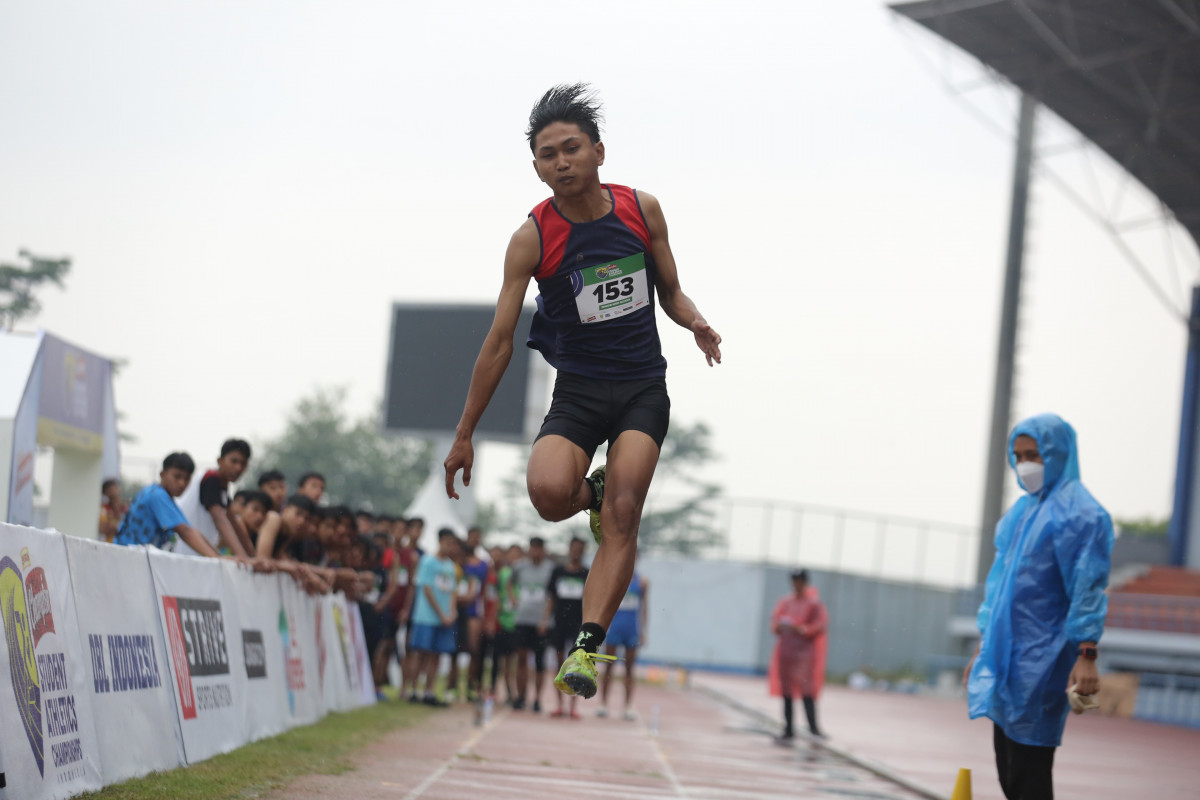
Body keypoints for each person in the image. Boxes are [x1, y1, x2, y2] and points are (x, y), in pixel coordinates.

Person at [443, 83, 722, 701]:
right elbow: (498, 341)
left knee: (624, 512)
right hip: (579, 391)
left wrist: (695, 320)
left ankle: (585, 648)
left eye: (572, 148)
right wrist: (464, 433)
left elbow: (670, 290)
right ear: (537, 168)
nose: (561, 162)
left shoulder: (640, 209)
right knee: (546, 495)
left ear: (598, 152)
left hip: (642, 388)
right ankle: (590, 489)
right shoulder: (532, 238)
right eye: (548, 154)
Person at [965, 414, 1113, 800]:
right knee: (1008, 770)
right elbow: (999, 587)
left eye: (1034, 454)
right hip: (1007, 655)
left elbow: (1088, 588)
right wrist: (984, 648)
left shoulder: (1081, 515)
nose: (1024, 464)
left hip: (1044, 658)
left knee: (1029, 770)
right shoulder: (1023, 511)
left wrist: (1087, 652)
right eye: (1018, 456)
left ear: (1057, 453)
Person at [115, 453, 220, 557]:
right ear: (162, 474)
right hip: (127, 556)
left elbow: (190, 529)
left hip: (132, 556)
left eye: (186, 479)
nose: (182, 483)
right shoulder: (158, 495)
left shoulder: (162, 496)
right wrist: (216, 559)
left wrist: (219, 556)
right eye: (177, 477)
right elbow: (185, 531)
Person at [768, 569, 828, 742]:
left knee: (807, 691)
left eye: (799, 581)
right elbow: (775, 623)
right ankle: (788, 729)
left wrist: (802, 629)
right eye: (794, 581)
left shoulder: (814, 604)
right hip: (786, 652)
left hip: (805, 655)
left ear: (805, 582)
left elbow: (819, 625)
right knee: (786, 692)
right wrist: (781, 626)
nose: (796, 584)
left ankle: (814, 729)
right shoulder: (785, 602)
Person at [174, 438, 256, 559]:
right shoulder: (210, 479)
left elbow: (233, 523)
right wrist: (244, 558)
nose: (238, 468)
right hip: (187, 555)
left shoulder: (222, 487)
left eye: (242, 463)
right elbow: (220, 520)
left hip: (198, 557)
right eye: (233, 461)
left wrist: (253, 557)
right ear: (220, 461)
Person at [408, 528, 461, 706]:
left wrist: (452, 613)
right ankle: (413, 690)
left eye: (452, 543)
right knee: (421, 654)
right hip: (426, 617)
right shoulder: (428, 562)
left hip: (444, 619)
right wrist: (441, 613)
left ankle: (429, 691)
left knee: (436, 655)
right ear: (440, 541)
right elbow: (427, 589)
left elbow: (453, 591)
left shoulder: (451, 566)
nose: (450, 546)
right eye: (447, 542)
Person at [543, 537, 589, 718]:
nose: (576, 552)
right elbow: (551, 599)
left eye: (580, 549)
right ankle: (559, 704)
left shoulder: (587, 574)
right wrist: (545, 620)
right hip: (559, 622)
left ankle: (573, 706)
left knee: (576, 666)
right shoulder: (558, 571)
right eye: (574, 548)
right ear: (569, 549)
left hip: (578, 624)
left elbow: (590, 600)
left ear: (584, 551)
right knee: (560, 663)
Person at [511, 537, 555, 711]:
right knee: (521, 659)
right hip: (522, 619)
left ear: (543, 550)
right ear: (529, 549)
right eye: (533, 548)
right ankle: (520, 696)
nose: (535, 552)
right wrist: (513, 599)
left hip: (541, 622)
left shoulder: (551, 569)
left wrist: (545, 619)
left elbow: (552, 595)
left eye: (539, 548)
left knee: (539, 661)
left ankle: (537, 699)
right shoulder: (520, 566)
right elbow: (509, 583)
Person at [597, 565, 647, 719]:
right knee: (608, 668)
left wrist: (643, 630)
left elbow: (644, 607)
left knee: (629, 669)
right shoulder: (614, 580)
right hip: (614, 629)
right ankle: (603, 704)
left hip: (631, 630)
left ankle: (627, 706)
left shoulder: (642, 582)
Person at [98, 478, 126, 543]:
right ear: (105, 493)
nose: (114, 492)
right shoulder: (104, 509)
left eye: (116, 488)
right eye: (111, 489)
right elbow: (101, 528)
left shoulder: (125, 508)